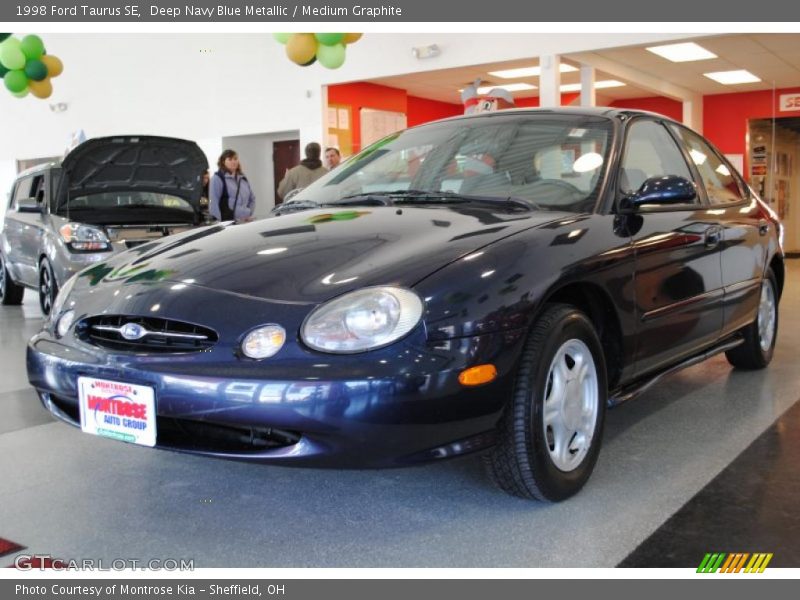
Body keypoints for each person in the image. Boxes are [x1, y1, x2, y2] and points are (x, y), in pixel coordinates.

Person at [210, 149, 256, 223]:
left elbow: (252, 198)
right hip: (229, 223)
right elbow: (213, 202)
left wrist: (249, 213)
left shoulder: (242, 178)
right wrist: (217, 222)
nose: (233, 162)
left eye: (235, 159)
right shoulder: (218, 178)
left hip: (246, 221)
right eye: (230, 159)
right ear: (223, 161)